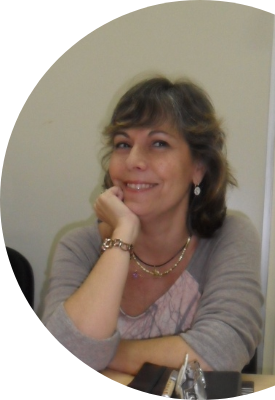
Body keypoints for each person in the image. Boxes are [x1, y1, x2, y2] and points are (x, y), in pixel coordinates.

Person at [42, 76, 263, 374]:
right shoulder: (79, 247)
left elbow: (221, 354)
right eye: (123, 144)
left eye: (159, 143)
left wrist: (98, 353)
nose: (133, 160)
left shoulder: (230, 237)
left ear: (198, 167)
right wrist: (122, 236)